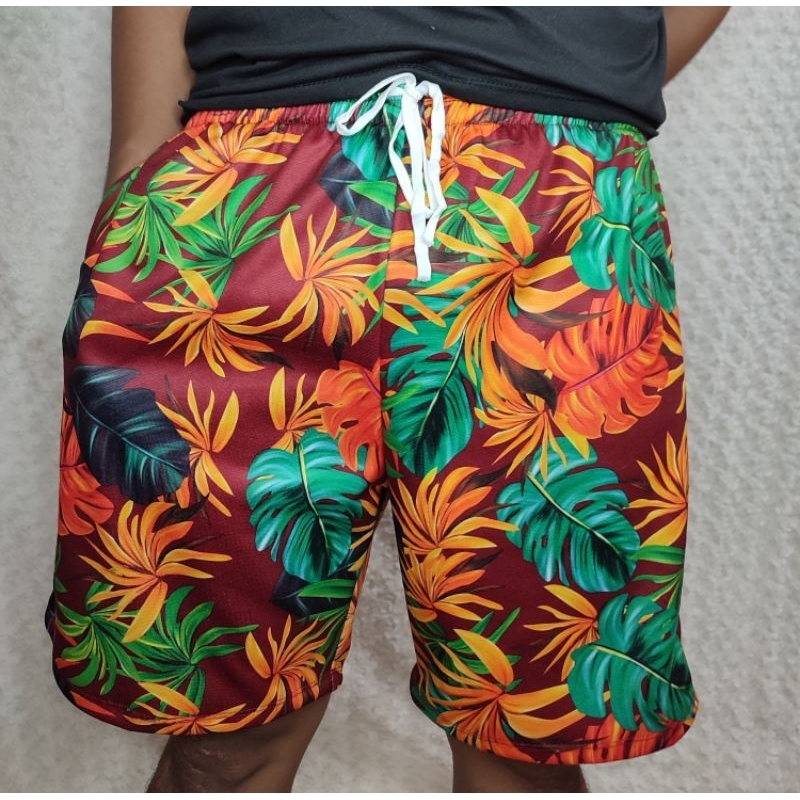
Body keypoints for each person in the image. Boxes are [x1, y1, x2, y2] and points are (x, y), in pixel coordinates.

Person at [47, 7, 729, 793]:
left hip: (554, 215)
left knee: (524, 743)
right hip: (235, 208)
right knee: (220, 741)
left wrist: (573, 64)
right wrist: (136, 176)